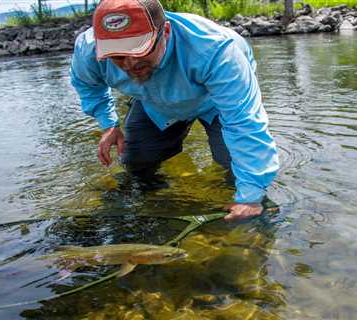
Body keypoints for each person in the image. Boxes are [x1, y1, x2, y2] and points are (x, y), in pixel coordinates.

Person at [70, 0, 279, 221]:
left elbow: (244, 123)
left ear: (165, 32)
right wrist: (109, 124)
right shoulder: (89, 50)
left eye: (138, 50)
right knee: (136, 162)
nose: (129, 64)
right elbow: (86, 84)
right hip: (155, 103)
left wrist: (249, 198)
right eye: (118, 56)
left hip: (215, 103)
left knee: (239, 168)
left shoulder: (217, 50)